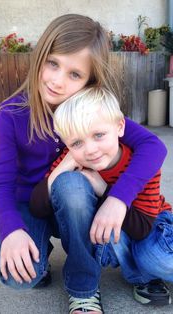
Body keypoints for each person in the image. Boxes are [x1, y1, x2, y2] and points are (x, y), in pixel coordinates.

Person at [0, 13, 168, 314]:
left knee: (71, 185)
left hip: (77, 201)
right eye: (53, 63)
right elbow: (3, 184)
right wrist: (11, 230)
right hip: (30, 202)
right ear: (41, 55)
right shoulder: (11, 114)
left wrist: (118, 199)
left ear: (89, 81)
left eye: (75, 74)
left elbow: (153, 146)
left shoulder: (89, 110)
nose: (58, 81)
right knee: (20, 276)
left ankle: (84, 288)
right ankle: (39, 251)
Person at [30, 87, 172, 312]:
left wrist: (104, 189)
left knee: (159, 259)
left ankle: (144, 273)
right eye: (76, 143)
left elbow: (142, 228)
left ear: (120, 127)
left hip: (152, 224)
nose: (90, 150)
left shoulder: (140, 163)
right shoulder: (76, 161)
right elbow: (37, 206)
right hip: (111, 236)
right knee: (68, 184)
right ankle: (140, 274)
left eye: (98, 135)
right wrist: (65, 165)